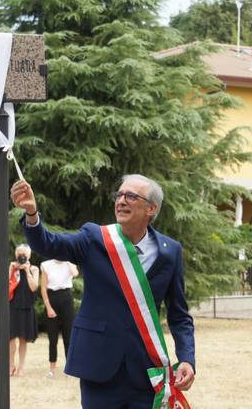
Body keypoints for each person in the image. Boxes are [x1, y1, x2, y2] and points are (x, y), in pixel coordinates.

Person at [11, 174, 195, 408]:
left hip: (147, 372)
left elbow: (179, 315)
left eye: (131, 196)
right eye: (119, 195)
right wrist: (32, 215)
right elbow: (49, 244)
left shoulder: (170, 252)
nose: (121, 201)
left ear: (151, 208)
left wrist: (187, 359)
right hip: (99, 367)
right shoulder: (95, 238)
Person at [40, 258, 78, 378]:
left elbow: (75, 273)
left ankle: (70, 368)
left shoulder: (69, 264)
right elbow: (43, 288)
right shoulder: (46, 265)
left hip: (66, 297)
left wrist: (68, 261)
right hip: (52, 298)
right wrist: (48, 307)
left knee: (69, 336)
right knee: (52, 337)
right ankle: (52, 369)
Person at [9, 244, 39, 377]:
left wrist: (27, 271)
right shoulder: (11, 268)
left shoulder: (34, 269)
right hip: (12, 306)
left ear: (29, 255)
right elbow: (3, 286)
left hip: (27, 306)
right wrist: (10, 270)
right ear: (16, 255)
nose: (21, 256)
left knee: (23, 339)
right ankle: (11, 366)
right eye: (19, 253)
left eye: (24, 253)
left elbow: (34, 288)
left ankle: (21, 367)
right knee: (10, 339)